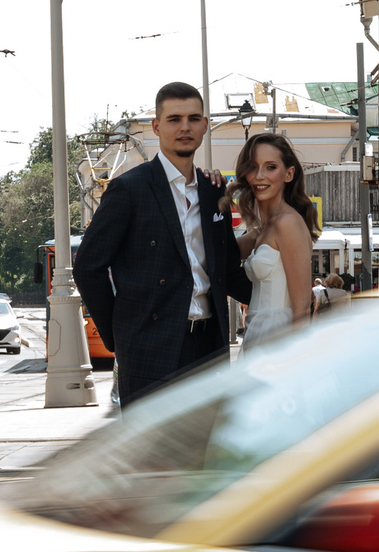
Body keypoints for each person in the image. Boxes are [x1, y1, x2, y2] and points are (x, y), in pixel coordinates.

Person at [73, 81, 252, 406]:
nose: (185, 127)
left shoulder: (214, 191)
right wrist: (119, 336)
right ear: (157, 126)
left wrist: (282, 301)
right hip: (149, 352)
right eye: (174, 119)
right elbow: (88, 267)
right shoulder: (129, 190)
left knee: (206, 440)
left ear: (205, 125)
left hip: (209, 351)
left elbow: (227, 270)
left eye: (193, 118)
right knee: (153, 443)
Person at [235, 132, 320, 347]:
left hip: (279, 340)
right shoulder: (262, 229)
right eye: (253, 167)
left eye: (270, 167)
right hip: (257, 334)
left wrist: (293, 359)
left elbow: (302, 308)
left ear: (289, 174)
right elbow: (221, 251)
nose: (260, 175)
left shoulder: (288, 223)